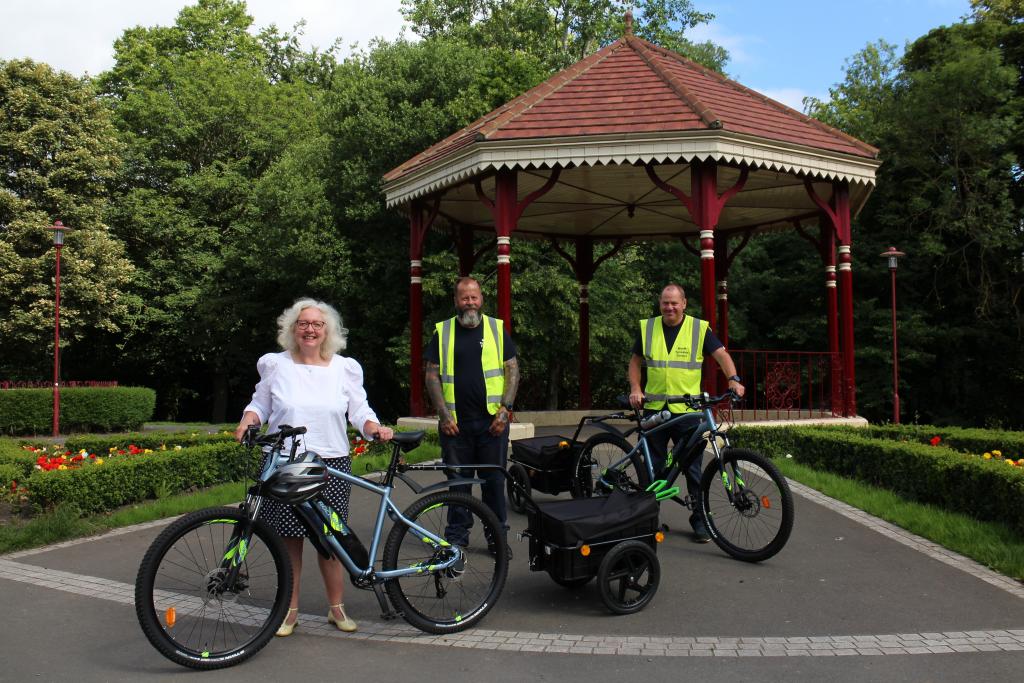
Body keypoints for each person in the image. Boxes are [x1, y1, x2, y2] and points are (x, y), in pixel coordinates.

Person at [234, 298, 393, 637]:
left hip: (330, 462)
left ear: (327, 331)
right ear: (292, 329)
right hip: (285, 461)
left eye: (317, 324)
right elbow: (260, 402)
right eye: (303, 323)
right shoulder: (276, 365)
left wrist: (374, 429)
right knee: (290, 540)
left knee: (330, 539)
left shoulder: (343, 368)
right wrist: (248, 421)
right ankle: (289, 611)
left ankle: (337, 608)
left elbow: (360, 411)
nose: (310, 329)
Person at [628, 283, 745, 543]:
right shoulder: (648, 328)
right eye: (665, 303)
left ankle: (700, 520)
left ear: (684, 304)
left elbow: (722, 356)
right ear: (660, 304)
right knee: (652, 467)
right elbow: (635, 362)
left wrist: (734, 379)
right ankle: (648, 519)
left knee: (692, 469)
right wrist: (636, 388)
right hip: (654, 408)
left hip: (689, 410)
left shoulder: (698, 329)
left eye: (674, 303)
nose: (669, 307)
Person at [424, 277, 519, 558]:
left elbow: (512, 370)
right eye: (464, 298)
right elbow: (432, 375)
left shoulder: (496, 329)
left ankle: (497, 539)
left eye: (474, 297)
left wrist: (505, 410)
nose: (470, 302)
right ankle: (456, 540)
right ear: (456, 301)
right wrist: (443, 415)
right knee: (458, 483)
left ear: (481, 299)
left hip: (493, 424)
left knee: (493, 483)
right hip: (456, 426)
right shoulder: (442, 332)